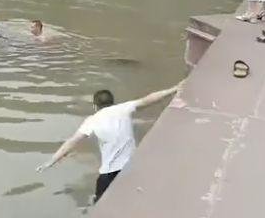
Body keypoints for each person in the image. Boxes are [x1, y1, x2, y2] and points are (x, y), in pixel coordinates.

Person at [36, 83, 182, 202]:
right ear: (112, 102)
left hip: (109, 174)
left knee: (99, 207)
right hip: (131, 169)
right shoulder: (124, 108)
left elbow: (72, 142)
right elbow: (149, 99)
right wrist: (173, 89)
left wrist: (52, 161)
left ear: (95, 105)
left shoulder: (92, 120)